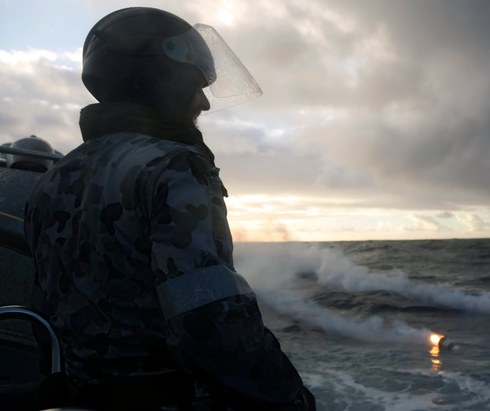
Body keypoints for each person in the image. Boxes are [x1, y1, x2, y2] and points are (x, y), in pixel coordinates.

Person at [24, 7, 315, 411]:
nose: (204, 103)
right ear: (161, 76)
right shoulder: (174, 166)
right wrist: (292, 399)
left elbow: (46, 307)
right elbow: (209, 321)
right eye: (196, 84)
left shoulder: (54, 178)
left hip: (82, 396)